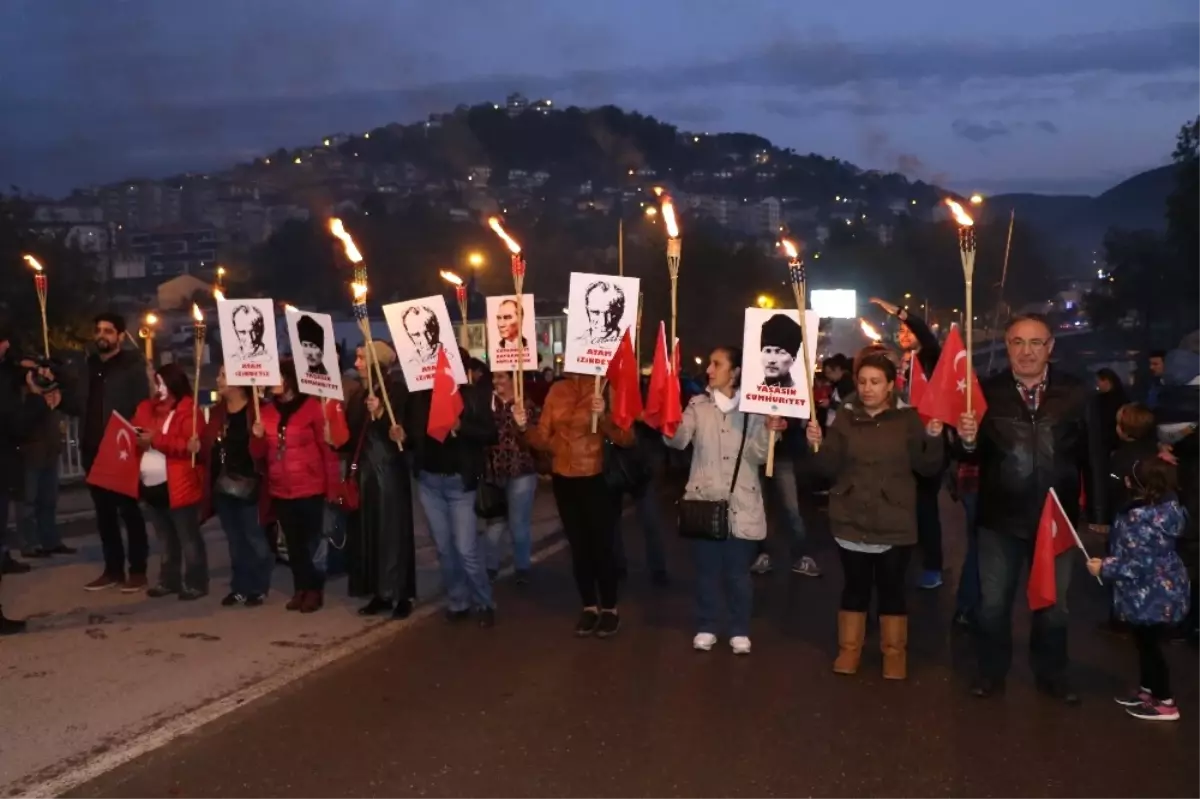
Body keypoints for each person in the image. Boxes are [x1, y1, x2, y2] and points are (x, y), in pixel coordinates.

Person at [958, 313, 1108, 704]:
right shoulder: (984, 392)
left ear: (1050, 347)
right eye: (1017, 342)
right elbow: (962, 454)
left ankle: (1052, 674)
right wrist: (967, 440)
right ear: (1006, 345)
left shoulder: (1077, 392)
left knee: (1054, 606)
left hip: (1055, 521)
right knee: (992, 605)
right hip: (999, 517)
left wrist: (1100, 514)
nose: (1026, 352)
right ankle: (990, 672)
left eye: (1035, 343)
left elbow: (1093, 455)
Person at [807, 349, 945, 679]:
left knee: (892, 589)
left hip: (893, 519)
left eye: (875, 382)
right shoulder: (845, 415)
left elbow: (927, 467)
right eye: (863, 381)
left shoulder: (908, 419)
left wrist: (936, 440)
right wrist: (815, 443)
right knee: (854, 587)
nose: (868, 388)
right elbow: (827, 467)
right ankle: (849, 650)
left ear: (890, 386)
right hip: (850, 516)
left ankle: (894, 654)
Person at [665, 346, 781, 654]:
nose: (710, 370)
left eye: (718, 364)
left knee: (737, 573)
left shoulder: (755, 409)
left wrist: (770, 433)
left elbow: (757, 456)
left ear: (736, 371)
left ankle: (739, 627)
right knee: (706, 572)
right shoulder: (698, 407)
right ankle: (707, 624)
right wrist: (665, 416)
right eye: (711, 364)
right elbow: (677, 441)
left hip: (741, 503)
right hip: (704, 502)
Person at [516, 374, 635, 637]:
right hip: (564, 479)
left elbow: (627, 437)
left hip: (596, 478)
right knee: (579, 547)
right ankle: (589, 606)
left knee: (602, 546)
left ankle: (610, 609)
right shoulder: (558, 389)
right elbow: (542, 438)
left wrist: (604, 416)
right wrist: (524, 428)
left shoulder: (607, 386)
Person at [1087, 456, 1190, 721]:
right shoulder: (1169, 511)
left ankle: (1165, 700)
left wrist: (1104, 568)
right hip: (1164, 590)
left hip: (1149, 595)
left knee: (1150, 647)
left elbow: (1137, 563)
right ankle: (1149, 690)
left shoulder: (1139, 520)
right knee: (1144, 642)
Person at [405, 349, 498, 627]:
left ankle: (484, 601)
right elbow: (413, 436)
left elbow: (489, 434)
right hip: (430, 483)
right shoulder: (420, 397)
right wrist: (402, 435)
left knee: (466, 549)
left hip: (460, 484)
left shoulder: (472, 396)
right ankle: (458, 601)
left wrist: (461, 425)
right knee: (445, 549)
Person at [870, 297, 947, 590]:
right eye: (900, 332)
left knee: (926, 508)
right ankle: (899, 560)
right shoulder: (896, 364)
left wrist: (900, 313)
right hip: (898, 442)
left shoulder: (929, 359)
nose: (903, 335)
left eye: (908, 331)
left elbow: (926, 335)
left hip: (928, 441)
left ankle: (933, 566)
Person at [252, 358, 340, 613]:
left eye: (278, 376)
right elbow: (259, 454)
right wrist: (257, 437)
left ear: (290, 379)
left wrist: (332, 486)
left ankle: (314, 589)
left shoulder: (311, 407)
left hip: (310, 486)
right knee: (293, 543)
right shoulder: (266, 412)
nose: (273, 382)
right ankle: (301, 588)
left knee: (311, 541)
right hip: (281, 488)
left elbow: (326, 450)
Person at [75, 313, 152, 591]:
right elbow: (79, 403)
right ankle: (113, 569)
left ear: (120, 336)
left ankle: (138, 569)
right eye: (98, 331)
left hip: (120, 448)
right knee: (104, 514)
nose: (102, 336)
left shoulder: (131, 366)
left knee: (129, 511)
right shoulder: (89, 366)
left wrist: (134, 433)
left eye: (108, 331)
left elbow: (142, 405)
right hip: (92, 448)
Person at [346, 342, 416, 620]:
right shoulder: (360, 394)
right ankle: (380, 591)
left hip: (389, 471)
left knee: (394, 532)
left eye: (362, 357)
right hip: (366, 473)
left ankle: (401, 593)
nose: (357, 362)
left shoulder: (396, 391)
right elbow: (352, 433)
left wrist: (383, 416)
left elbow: (403, 428)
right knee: (371, 531)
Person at [132, 362, 208, 600]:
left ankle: (196, 582)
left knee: (188, 538)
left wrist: (156, 440)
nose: (159, 388)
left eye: (162, 382)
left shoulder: (188, 410)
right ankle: (169, 579)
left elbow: (188, 446)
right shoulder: (147, 408)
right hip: (151, 485)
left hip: (178, 484)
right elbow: (136, 432)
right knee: (165, 539)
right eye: (156, 382)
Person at [203, 366, 272, 606]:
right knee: (234, 540)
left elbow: (265, 453)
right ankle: (240, 586)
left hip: (251, 485)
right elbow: (208, 447)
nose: (218, 379)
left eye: (223, 375)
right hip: (224, 485)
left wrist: (260, 437)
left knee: (254, 537)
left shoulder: (257, 411)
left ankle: (259, 586)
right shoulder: (217, 413)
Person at [482, 370, 539, 584]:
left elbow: (535, 435)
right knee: (494, 524)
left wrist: (522, 423)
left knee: (518, 524)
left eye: (502, 377)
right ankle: (490, 567)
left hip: (520, 471)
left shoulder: (526, 405)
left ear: (515, 380)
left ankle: (522, 566)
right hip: (494, 473)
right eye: (494, 377)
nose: (496, 382)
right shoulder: (488, 404)